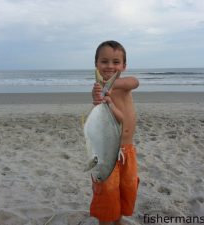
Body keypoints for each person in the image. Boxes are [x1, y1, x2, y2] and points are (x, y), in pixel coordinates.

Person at [90, 40, 139, 225]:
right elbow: (99, 113)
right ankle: (105, 221)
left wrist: (112, 85)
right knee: (107, 191)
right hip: (106, 151)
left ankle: (118, 221)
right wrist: (98, 97)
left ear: (124, 66)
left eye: (116, 62)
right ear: (96, 64)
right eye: (104, 61)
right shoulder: (98, 89)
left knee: (126, 187)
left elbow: (136, 82)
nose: (110, 66)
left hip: (127, 150)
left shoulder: (124, 84)